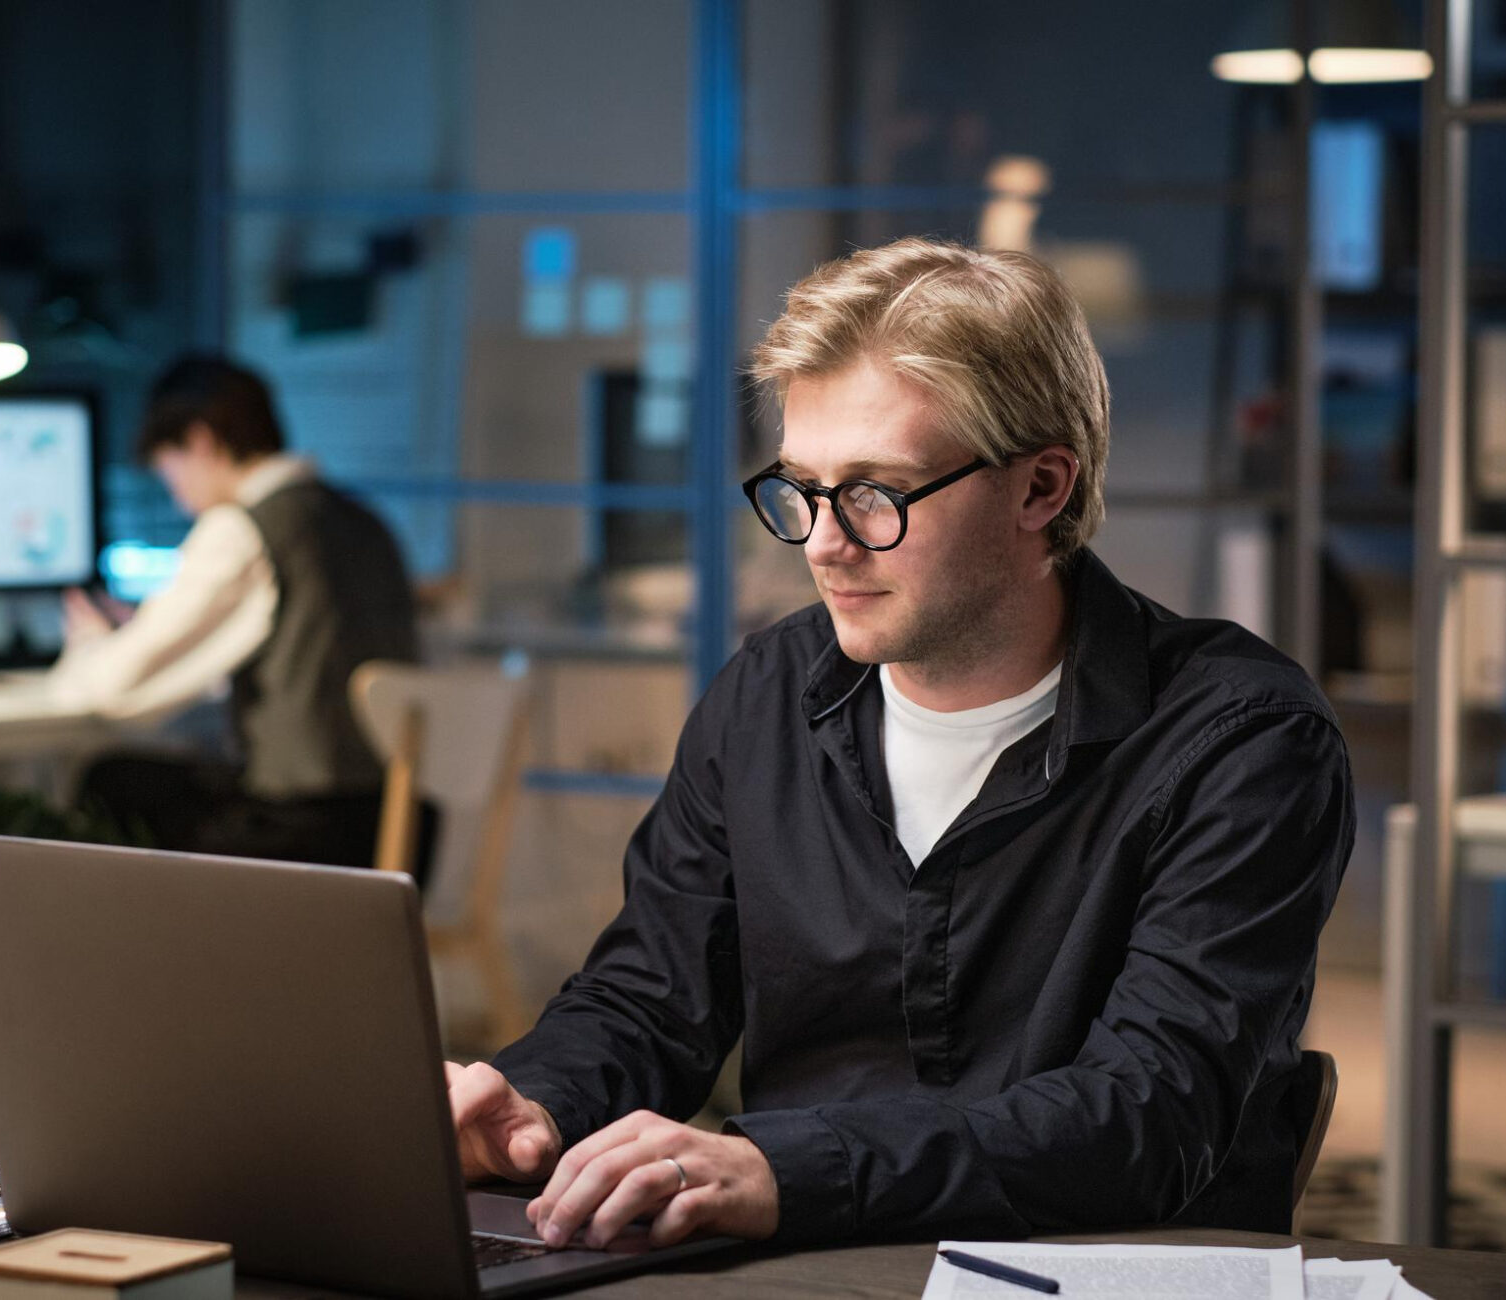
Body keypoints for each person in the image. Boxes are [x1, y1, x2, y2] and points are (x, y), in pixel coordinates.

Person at [446, 238, 1354, 1251]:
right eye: (801, 488)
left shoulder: (1243, 739)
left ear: (1039, 488)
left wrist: (783, 1169)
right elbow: (647, 998)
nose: (824, 544)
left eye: (875, 492)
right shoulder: (765, 695)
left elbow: (1150, 1112)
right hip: (803, 1266)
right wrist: (536, 1099)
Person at [52, 354, 425, 872]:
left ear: (201, 440)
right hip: (399, 824)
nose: (173, 489)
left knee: (111, 782)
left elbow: (112, 690)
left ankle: (143, 954)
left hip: (306, 832)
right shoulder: (365, 520)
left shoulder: (243, 529)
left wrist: (92, 641)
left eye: (167, 463)